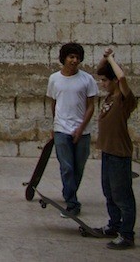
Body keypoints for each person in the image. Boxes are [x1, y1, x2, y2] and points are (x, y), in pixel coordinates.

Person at [46, 42, 98, 218]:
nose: (74, 61)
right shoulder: (54, 79)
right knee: (66, 167)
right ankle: (72, 203)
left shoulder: (87, 80)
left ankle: (70, 193)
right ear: (64, 58)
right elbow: (54, 103)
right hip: (61, 128)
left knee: (78, 168)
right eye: (71, 57)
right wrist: (54, 125)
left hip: (82, 131)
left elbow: (91, 106)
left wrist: (81, 127)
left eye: (77, 57)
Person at [94, 47, 136, 250]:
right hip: (107, 152)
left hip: (120, 154)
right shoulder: (109, 98)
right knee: (109, 192)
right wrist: (104, 58)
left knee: (122, 195)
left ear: (113, 82)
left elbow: (122, 77)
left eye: (105, 81)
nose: (102, 84)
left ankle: (127, 235)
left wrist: (111, 59)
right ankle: (114, 225)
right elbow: (101, 70)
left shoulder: (124, 100)